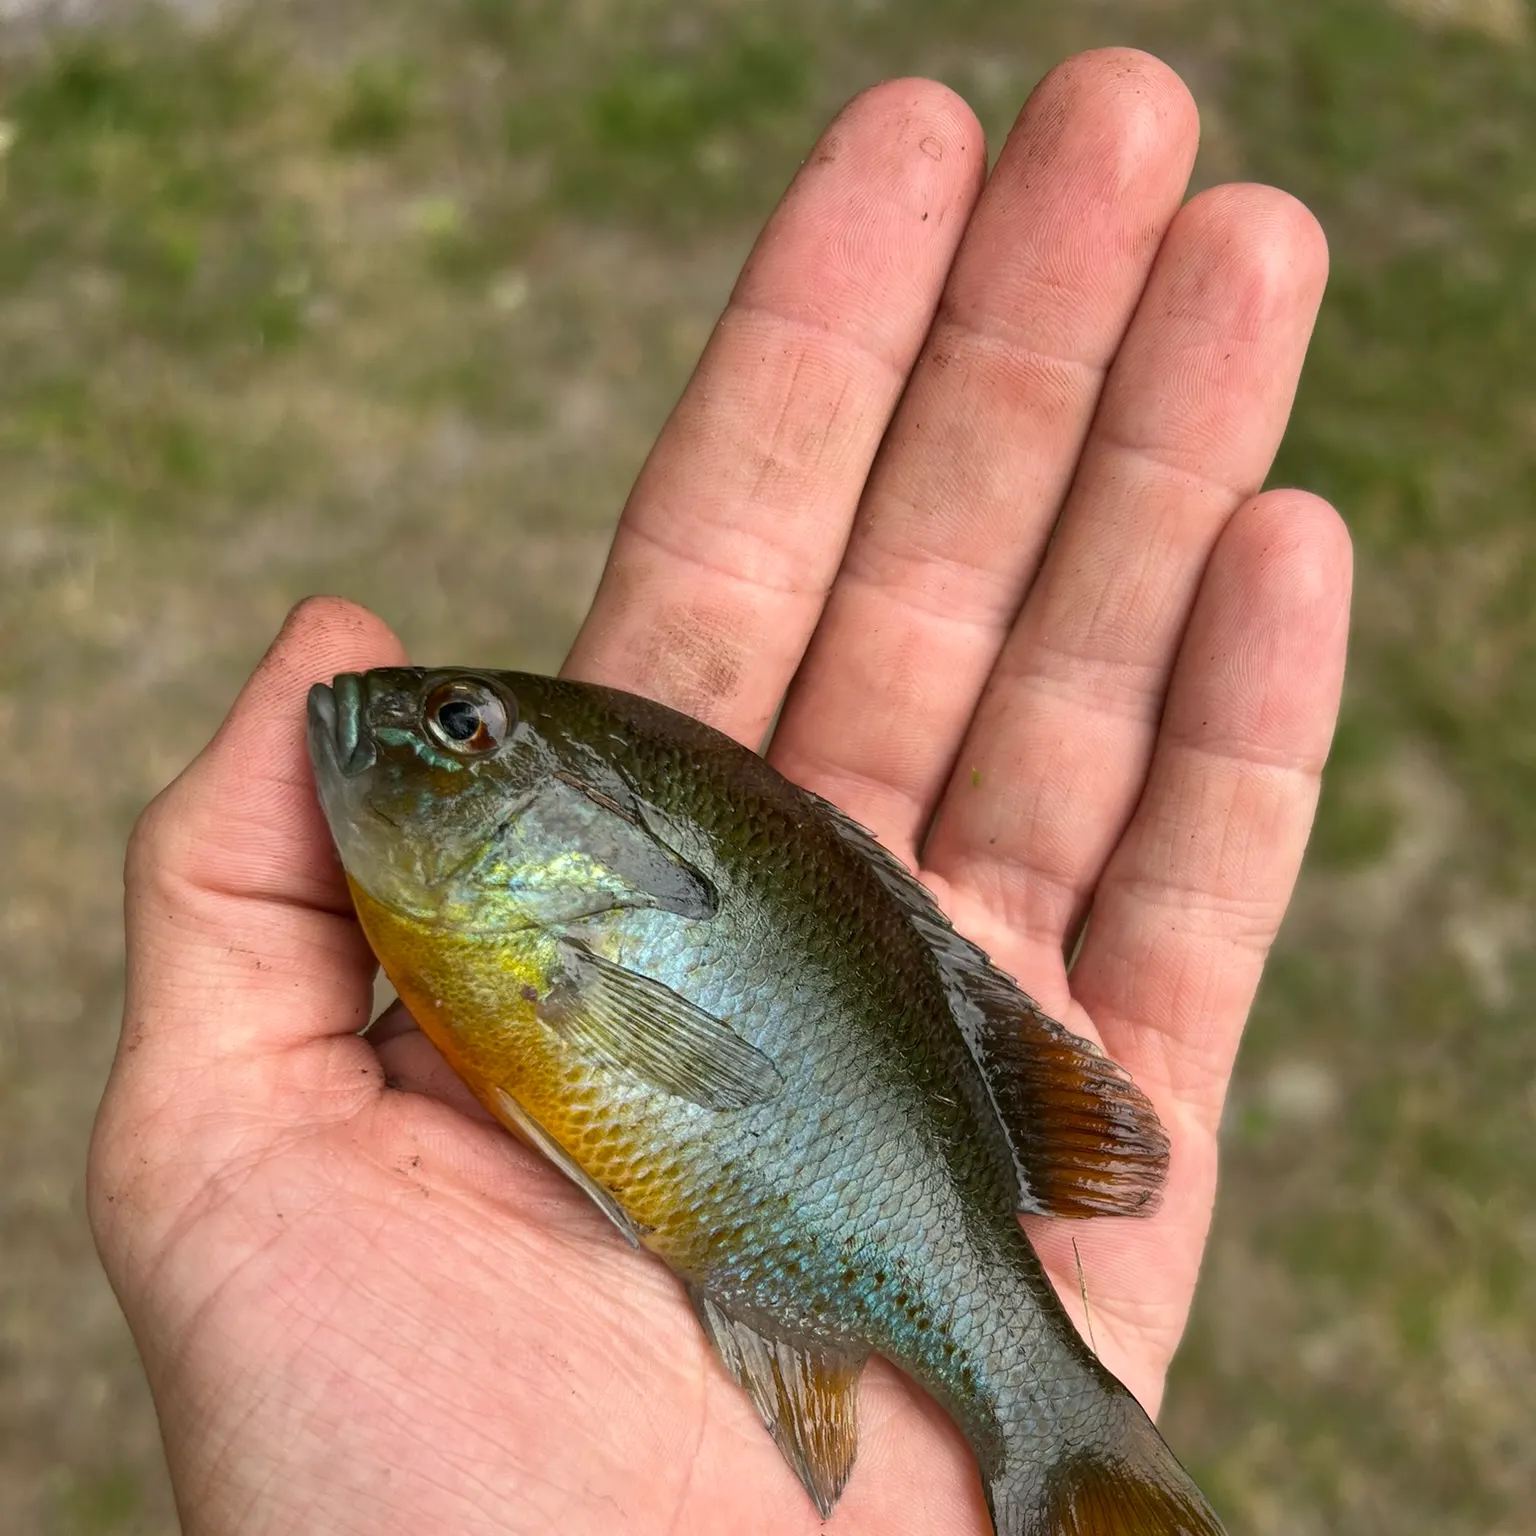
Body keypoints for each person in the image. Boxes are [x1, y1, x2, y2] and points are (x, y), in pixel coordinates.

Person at [88, 47, 1349, 1536]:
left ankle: (1060, 1443)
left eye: (461, 727)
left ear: (582, 837)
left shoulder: (509, 939)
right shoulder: (499, 941)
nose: (397, 721)